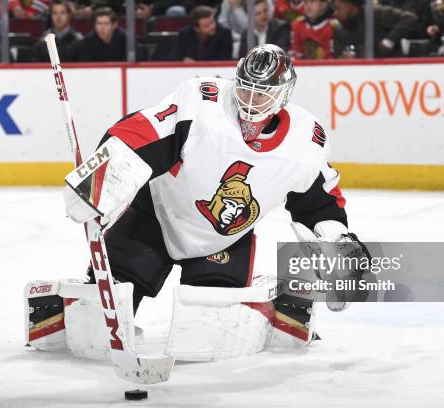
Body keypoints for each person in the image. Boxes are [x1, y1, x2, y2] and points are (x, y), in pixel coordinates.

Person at [62, 45, 366, 344]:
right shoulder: (202, 102)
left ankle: (272, 306)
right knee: (97, 325)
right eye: (245, 89)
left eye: (261, 94)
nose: (249, 101)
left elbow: (321, 202)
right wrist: (99, 177)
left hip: (224, 241)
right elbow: (142, 132)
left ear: (282, 96)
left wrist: (336, 239)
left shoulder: (304, 142)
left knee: (212, 336)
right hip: (154, 216)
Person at [333, 0, 417, 58]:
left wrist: (389, 41)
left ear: (350, 5)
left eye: (338, 8)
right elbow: (339, 51)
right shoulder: (340, 28)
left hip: (391, 65)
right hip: (362, 70)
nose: (335, 13)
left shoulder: (375, 13)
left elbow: (409, 18)